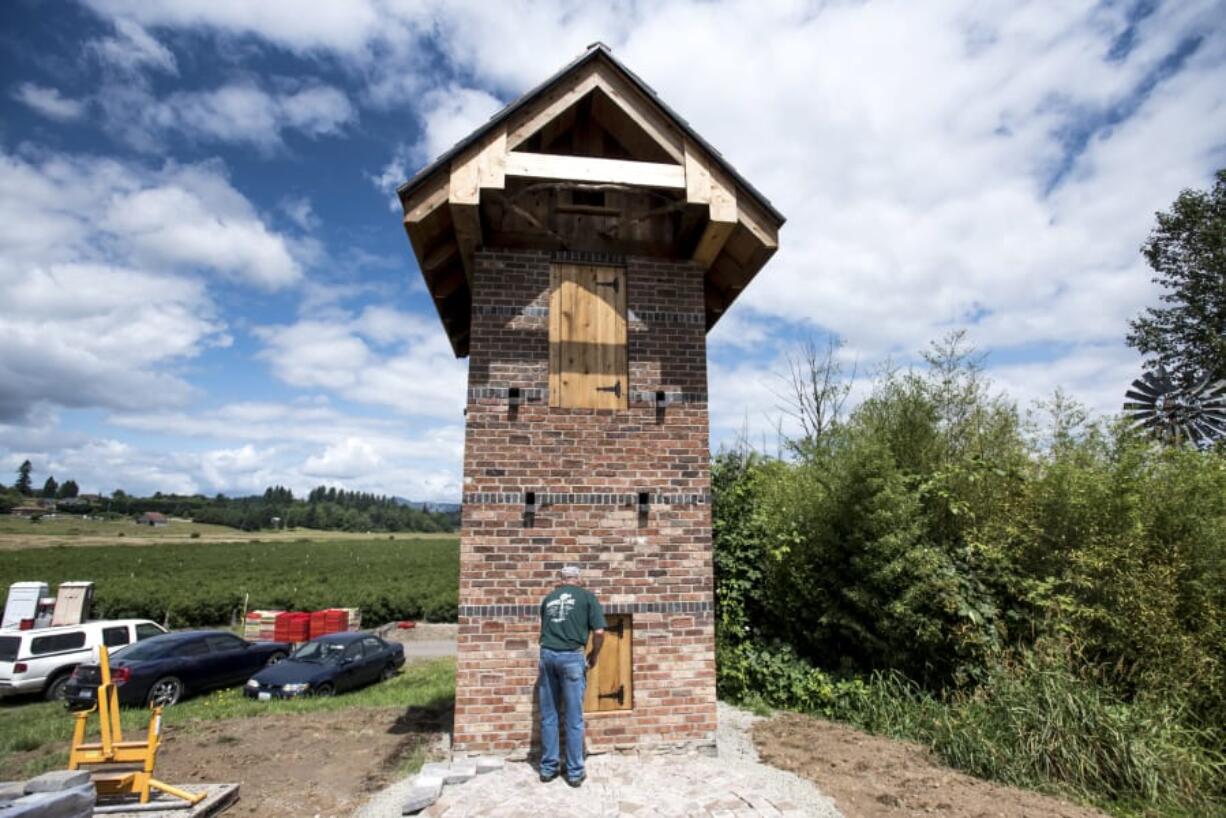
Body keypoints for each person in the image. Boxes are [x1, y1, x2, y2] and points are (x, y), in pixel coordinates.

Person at [537, 564, 606, 787]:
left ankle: (549, 768)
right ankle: (575, 772)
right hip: (572, 658)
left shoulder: (548, 599)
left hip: (547, 655)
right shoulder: (587, 598)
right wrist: (594, 654)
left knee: (549, 714)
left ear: (561, 579)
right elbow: (599, 631)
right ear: (579, 579)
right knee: (573, 717)